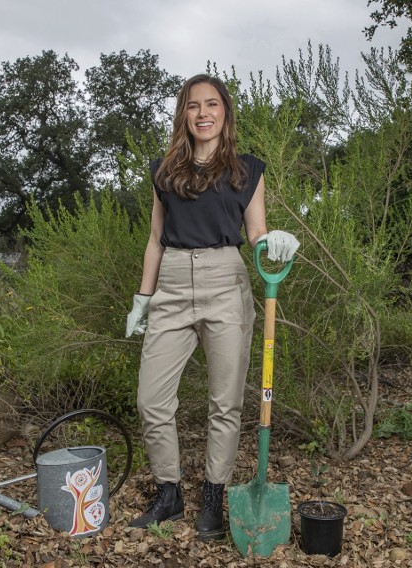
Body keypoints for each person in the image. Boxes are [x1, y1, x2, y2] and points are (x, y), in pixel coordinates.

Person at [124, 73, 299, 541]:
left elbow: (257, 235)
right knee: (152, 400)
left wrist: (272, 244)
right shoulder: (164, 170)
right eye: (193, 106)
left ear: (225, 112)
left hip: (227, 281)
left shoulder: (247, 170)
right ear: (183, 114)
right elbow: (156, 240)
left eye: (212, 105)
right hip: (174, 283)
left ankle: (213, 497)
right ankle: (169, 493)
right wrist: (143, 298)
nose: (203, 113)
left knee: (225, 402)